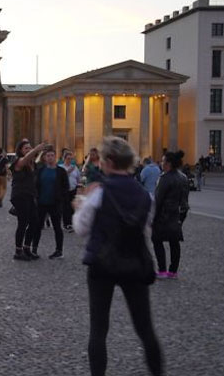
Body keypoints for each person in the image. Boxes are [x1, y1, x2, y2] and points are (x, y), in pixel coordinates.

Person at [73, 136, 163, 376]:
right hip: (135, 261)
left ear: (110, 161)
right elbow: (147, 229)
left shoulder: (99, 192)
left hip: (102, 263)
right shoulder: (145, 195)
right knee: (145, 328)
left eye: (102, 160)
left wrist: (80, 205)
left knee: (99, 329)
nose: (100, 164)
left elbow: (81, 228)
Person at [152, 150, 189, 279]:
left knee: (156, 240)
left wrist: (152, 218)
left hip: (163, 216)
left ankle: (162, 270)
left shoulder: (164, 179)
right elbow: (185, 201)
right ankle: (173, 271)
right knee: (174, 243)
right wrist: (181, 217)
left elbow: (158, 200)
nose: (161, 163)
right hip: (176, 216)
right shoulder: (183, 177)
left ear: (168, 163)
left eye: (163, 161)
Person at [10, 139, 46, 261]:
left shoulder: (33, 164)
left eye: (30, 148)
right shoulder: (18, 161)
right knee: (22, 223)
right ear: (20, 150)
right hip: (20, 195)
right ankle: (18, 251)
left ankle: (26, 247)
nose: (29, 149)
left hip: (30, 195)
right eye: (26, 148)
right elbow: (24, 160)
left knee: (35, 222)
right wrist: (36, 149)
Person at [32, 148, 68, 259]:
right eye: (48, 155)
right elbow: (35, 185)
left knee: (57, 227)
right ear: (44, 157)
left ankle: (59, 250)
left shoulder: (61, 172)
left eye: (52, 155)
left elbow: (65, 187)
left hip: (55, 204)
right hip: (41, 203)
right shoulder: (40, 170)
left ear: (55, 157)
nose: (50, 157)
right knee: (37, 227)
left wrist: (62, 201)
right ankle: (34, 249)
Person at [60, 149, 81, 230]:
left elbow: (78, 177)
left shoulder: (74, 167)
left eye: (70, 158)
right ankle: (66, 223)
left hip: (73, 189)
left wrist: (79, 184)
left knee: (72, 206)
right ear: (64, 159)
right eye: (68, 158)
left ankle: (72, 222)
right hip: (64, 190)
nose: (69, 160)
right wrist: (67, 172)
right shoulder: (61, 167)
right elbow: (59, 179)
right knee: (66, 207)